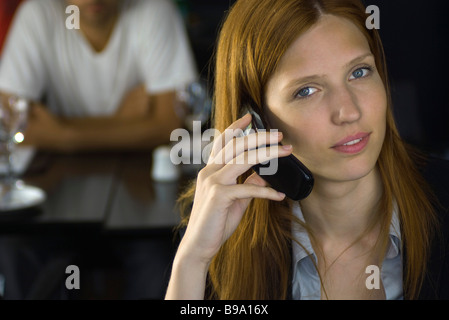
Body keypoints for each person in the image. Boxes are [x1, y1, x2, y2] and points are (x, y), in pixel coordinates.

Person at [165, 0, 449, 300]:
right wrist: (193, 260)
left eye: (360, 72)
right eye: (306, 91)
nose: (348, 111)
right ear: (255, 120)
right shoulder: (221, 235)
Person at [0, 0, 197, 152]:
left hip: (140, 178)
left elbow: (170, 126)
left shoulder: (155, 9)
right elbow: (9, 124)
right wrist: (122, 121)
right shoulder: (37, 15)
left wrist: (61, 134)